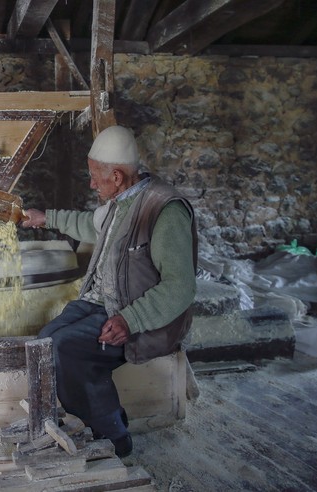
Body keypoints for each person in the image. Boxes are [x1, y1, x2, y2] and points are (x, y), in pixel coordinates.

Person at [20, 125, 198, 458]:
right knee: (44, 342)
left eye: (94, 177)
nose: (90, 183)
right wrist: (47, 218)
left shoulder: (164, 211)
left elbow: (181, 287)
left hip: (139, 317)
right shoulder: (122, 200)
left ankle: (114, 437)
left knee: (67, 349)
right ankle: (101, 417)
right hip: (101, 302)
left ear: (116, 176)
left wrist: (131, 319)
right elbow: (91, 225)